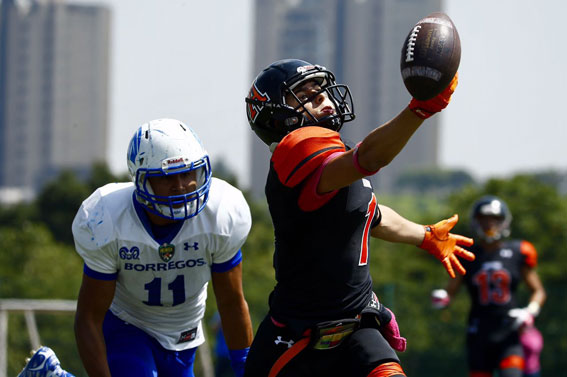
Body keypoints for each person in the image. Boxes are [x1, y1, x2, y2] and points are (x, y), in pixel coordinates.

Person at [243, 58, 475, 377]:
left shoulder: (338, 156)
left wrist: (424, 235)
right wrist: (420, 109)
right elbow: (370, 157)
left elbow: (370, 214)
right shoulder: (293, 152)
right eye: (306, 94)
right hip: (299, 339)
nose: (322, 97)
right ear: (276, 117)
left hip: (356, 326)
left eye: (321, 90)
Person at [69, 119, 253, 376]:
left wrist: (245, 367)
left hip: (184, 334)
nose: (180, 186)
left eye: (187, 173)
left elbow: (231, 302)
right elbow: (88, 317)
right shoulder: (107, 217)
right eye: (166, 177)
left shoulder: (220, 213)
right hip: (128, 324)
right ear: (141, 180)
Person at [431, 195, 547, 377]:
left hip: (509, 331)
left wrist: (530, 311)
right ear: (475, 222)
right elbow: (451, 291)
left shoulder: (518, 252)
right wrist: (443, 297)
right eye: (483, 219)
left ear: (504, 222)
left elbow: (538, 290)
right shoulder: (467, 254)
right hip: (479, 332)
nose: (489, 224)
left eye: (494, 219)